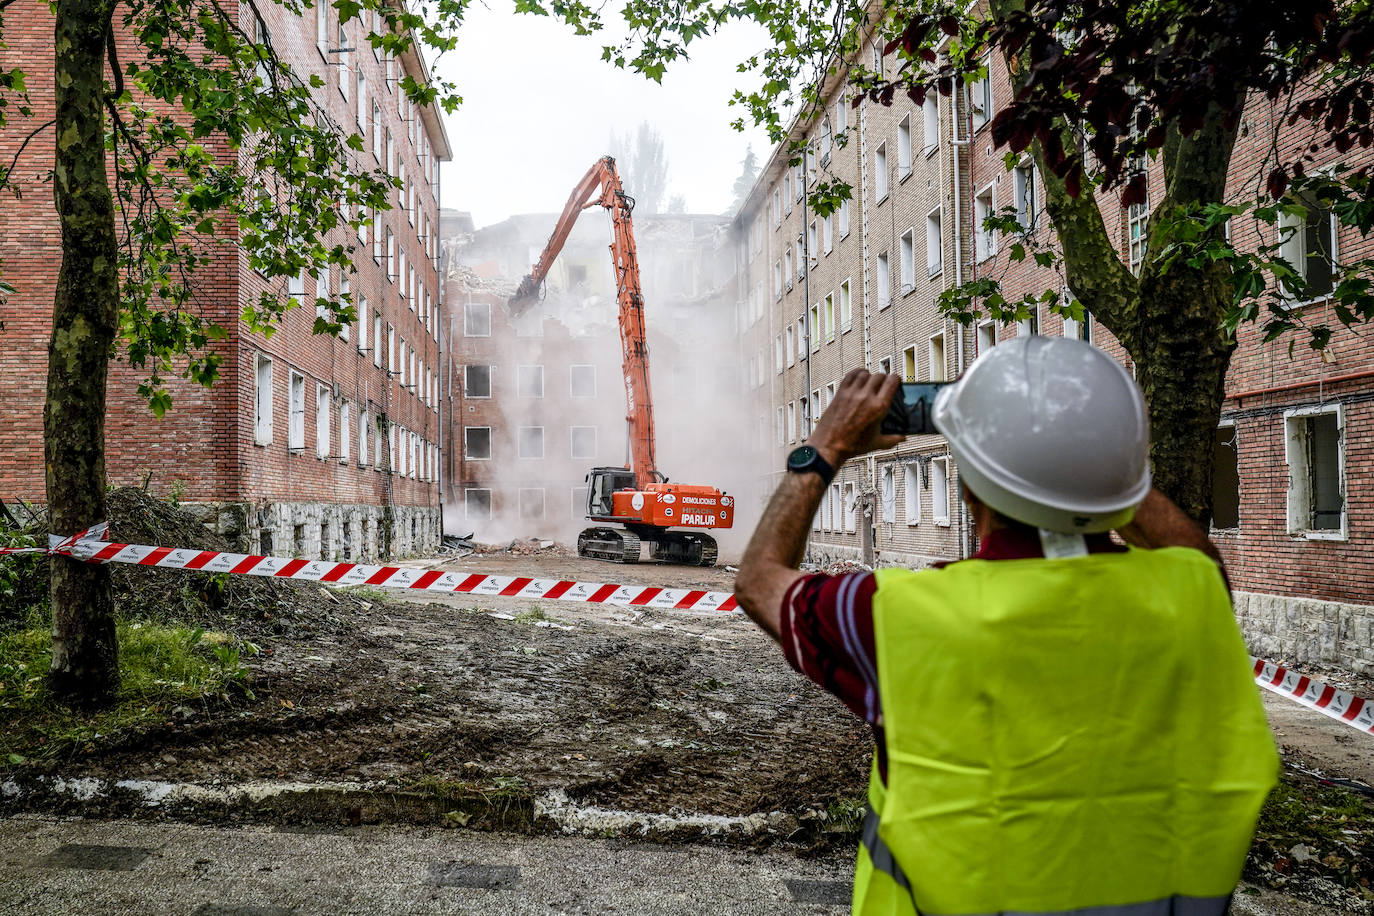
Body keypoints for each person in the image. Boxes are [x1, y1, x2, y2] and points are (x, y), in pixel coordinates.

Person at [735, 337, 1277, 916]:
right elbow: (1194, 550)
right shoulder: (1188, 592)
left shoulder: (901, 614)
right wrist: (1089, 463)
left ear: (968, 482)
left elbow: (760, 580)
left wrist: (827, 444)